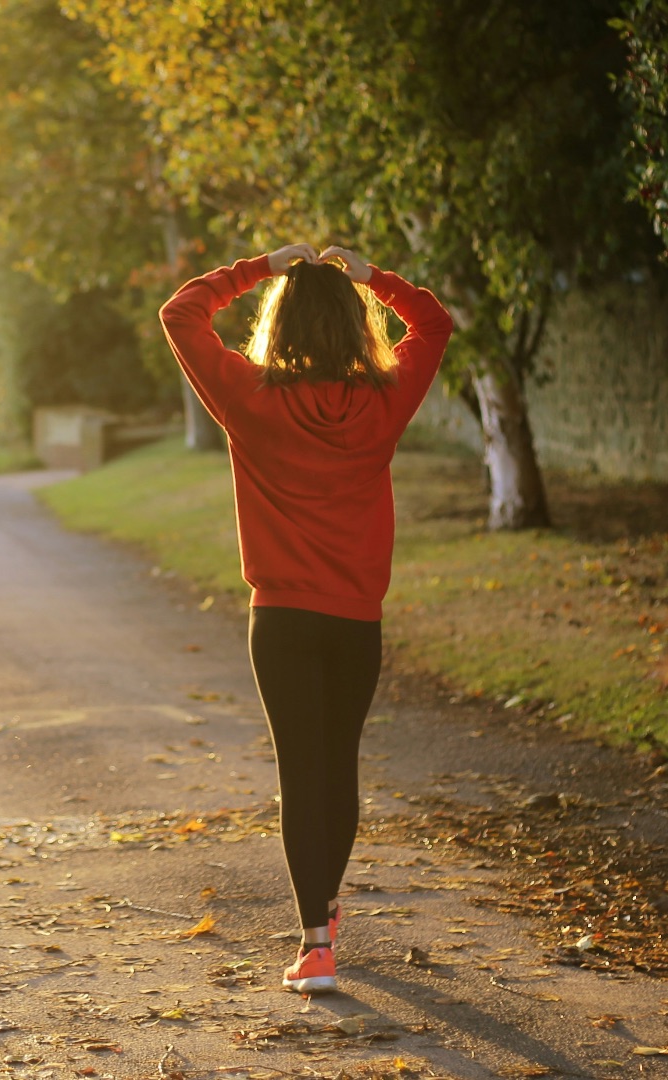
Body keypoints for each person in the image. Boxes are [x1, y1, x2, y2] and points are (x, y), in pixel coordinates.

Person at [160, 242, 453, 994]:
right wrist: (373, 279)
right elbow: (435, 322)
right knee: (339, 767)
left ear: (279, 324)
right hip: (355, 619)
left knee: (302, 773)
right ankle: (322, 914)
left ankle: (316, 943)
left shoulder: (249, 397)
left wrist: (259, 267)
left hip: (282, 620)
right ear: (356, 327)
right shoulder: (385, 399)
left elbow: (181, 313)